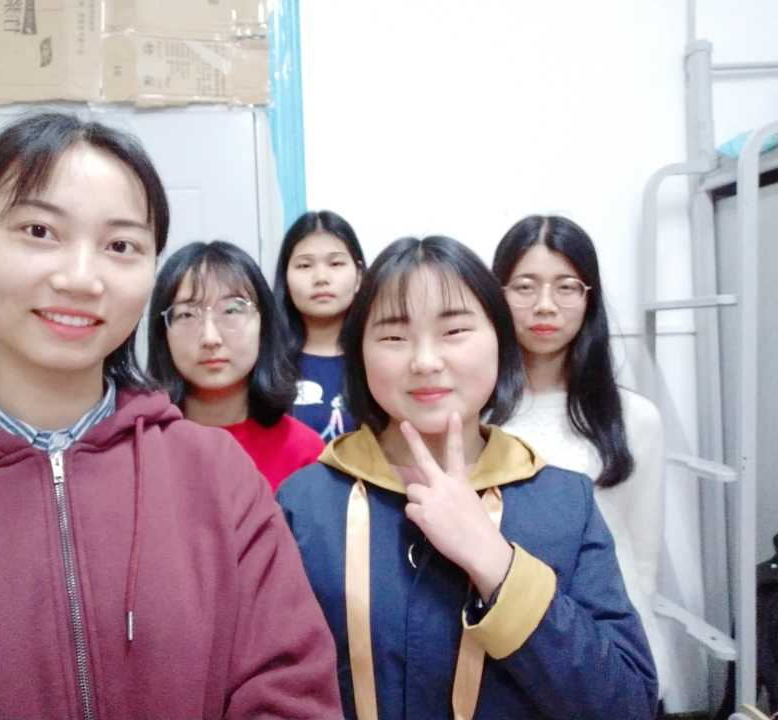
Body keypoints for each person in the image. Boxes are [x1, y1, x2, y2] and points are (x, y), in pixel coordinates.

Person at [0, 112, 341, 720]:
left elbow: (290, 690)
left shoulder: (218, 477)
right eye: (39, 230)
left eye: (120, 246)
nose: (80, 278)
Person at [277, 236, 658, 719]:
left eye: (454, 331)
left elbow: (627, 703)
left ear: (501, 340)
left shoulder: (564, 500)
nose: (425, 361)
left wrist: (498, 565)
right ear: (360, 354)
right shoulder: (305, 503)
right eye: (394, 337)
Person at [492, 214, 670, 699]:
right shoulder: (474, 417)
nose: (545, 305)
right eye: (524, 286)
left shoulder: (634, 418)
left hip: (603, 651)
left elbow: (641, 563)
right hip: (503, 641)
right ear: (497, 294)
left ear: (589, 297)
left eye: (566, 286)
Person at [147, 240, 324, 491]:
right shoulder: (142, 446)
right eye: (187, 314)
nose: (210, 338)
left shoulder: (304, 452)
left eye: (231, 310)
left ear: (264, 324)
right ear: (162, 333)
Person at [273, 210, 365, 441]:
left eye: (335, 263)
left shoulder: (377, 357)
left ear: (359, 276)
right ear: (285, 278)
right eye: (305, 266)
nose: (321, 278)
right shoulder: (266, 359)